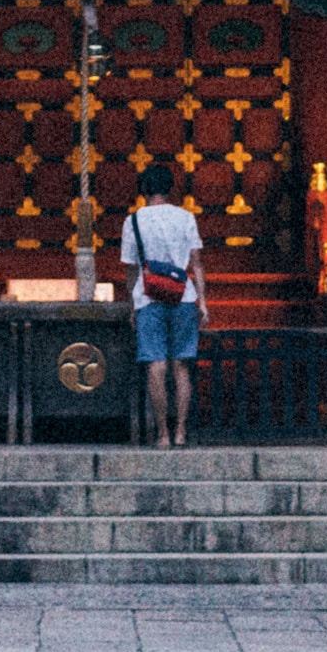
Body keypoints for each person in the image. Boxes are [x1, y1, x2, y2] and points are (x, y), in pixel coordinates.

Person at [121, 161, 205, 448]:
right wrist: (203, 302)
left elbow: (130, 268)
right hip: (183, 295)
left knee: (155, 365)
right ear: (170, 189)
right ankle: (181, 430)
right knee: (181, 365)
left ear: (144, 189)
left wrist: (133, 305)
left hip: (149, 297)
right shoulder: (185, 218)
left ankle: (163, 434)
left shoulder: (134, 221)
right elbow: (196, 262)